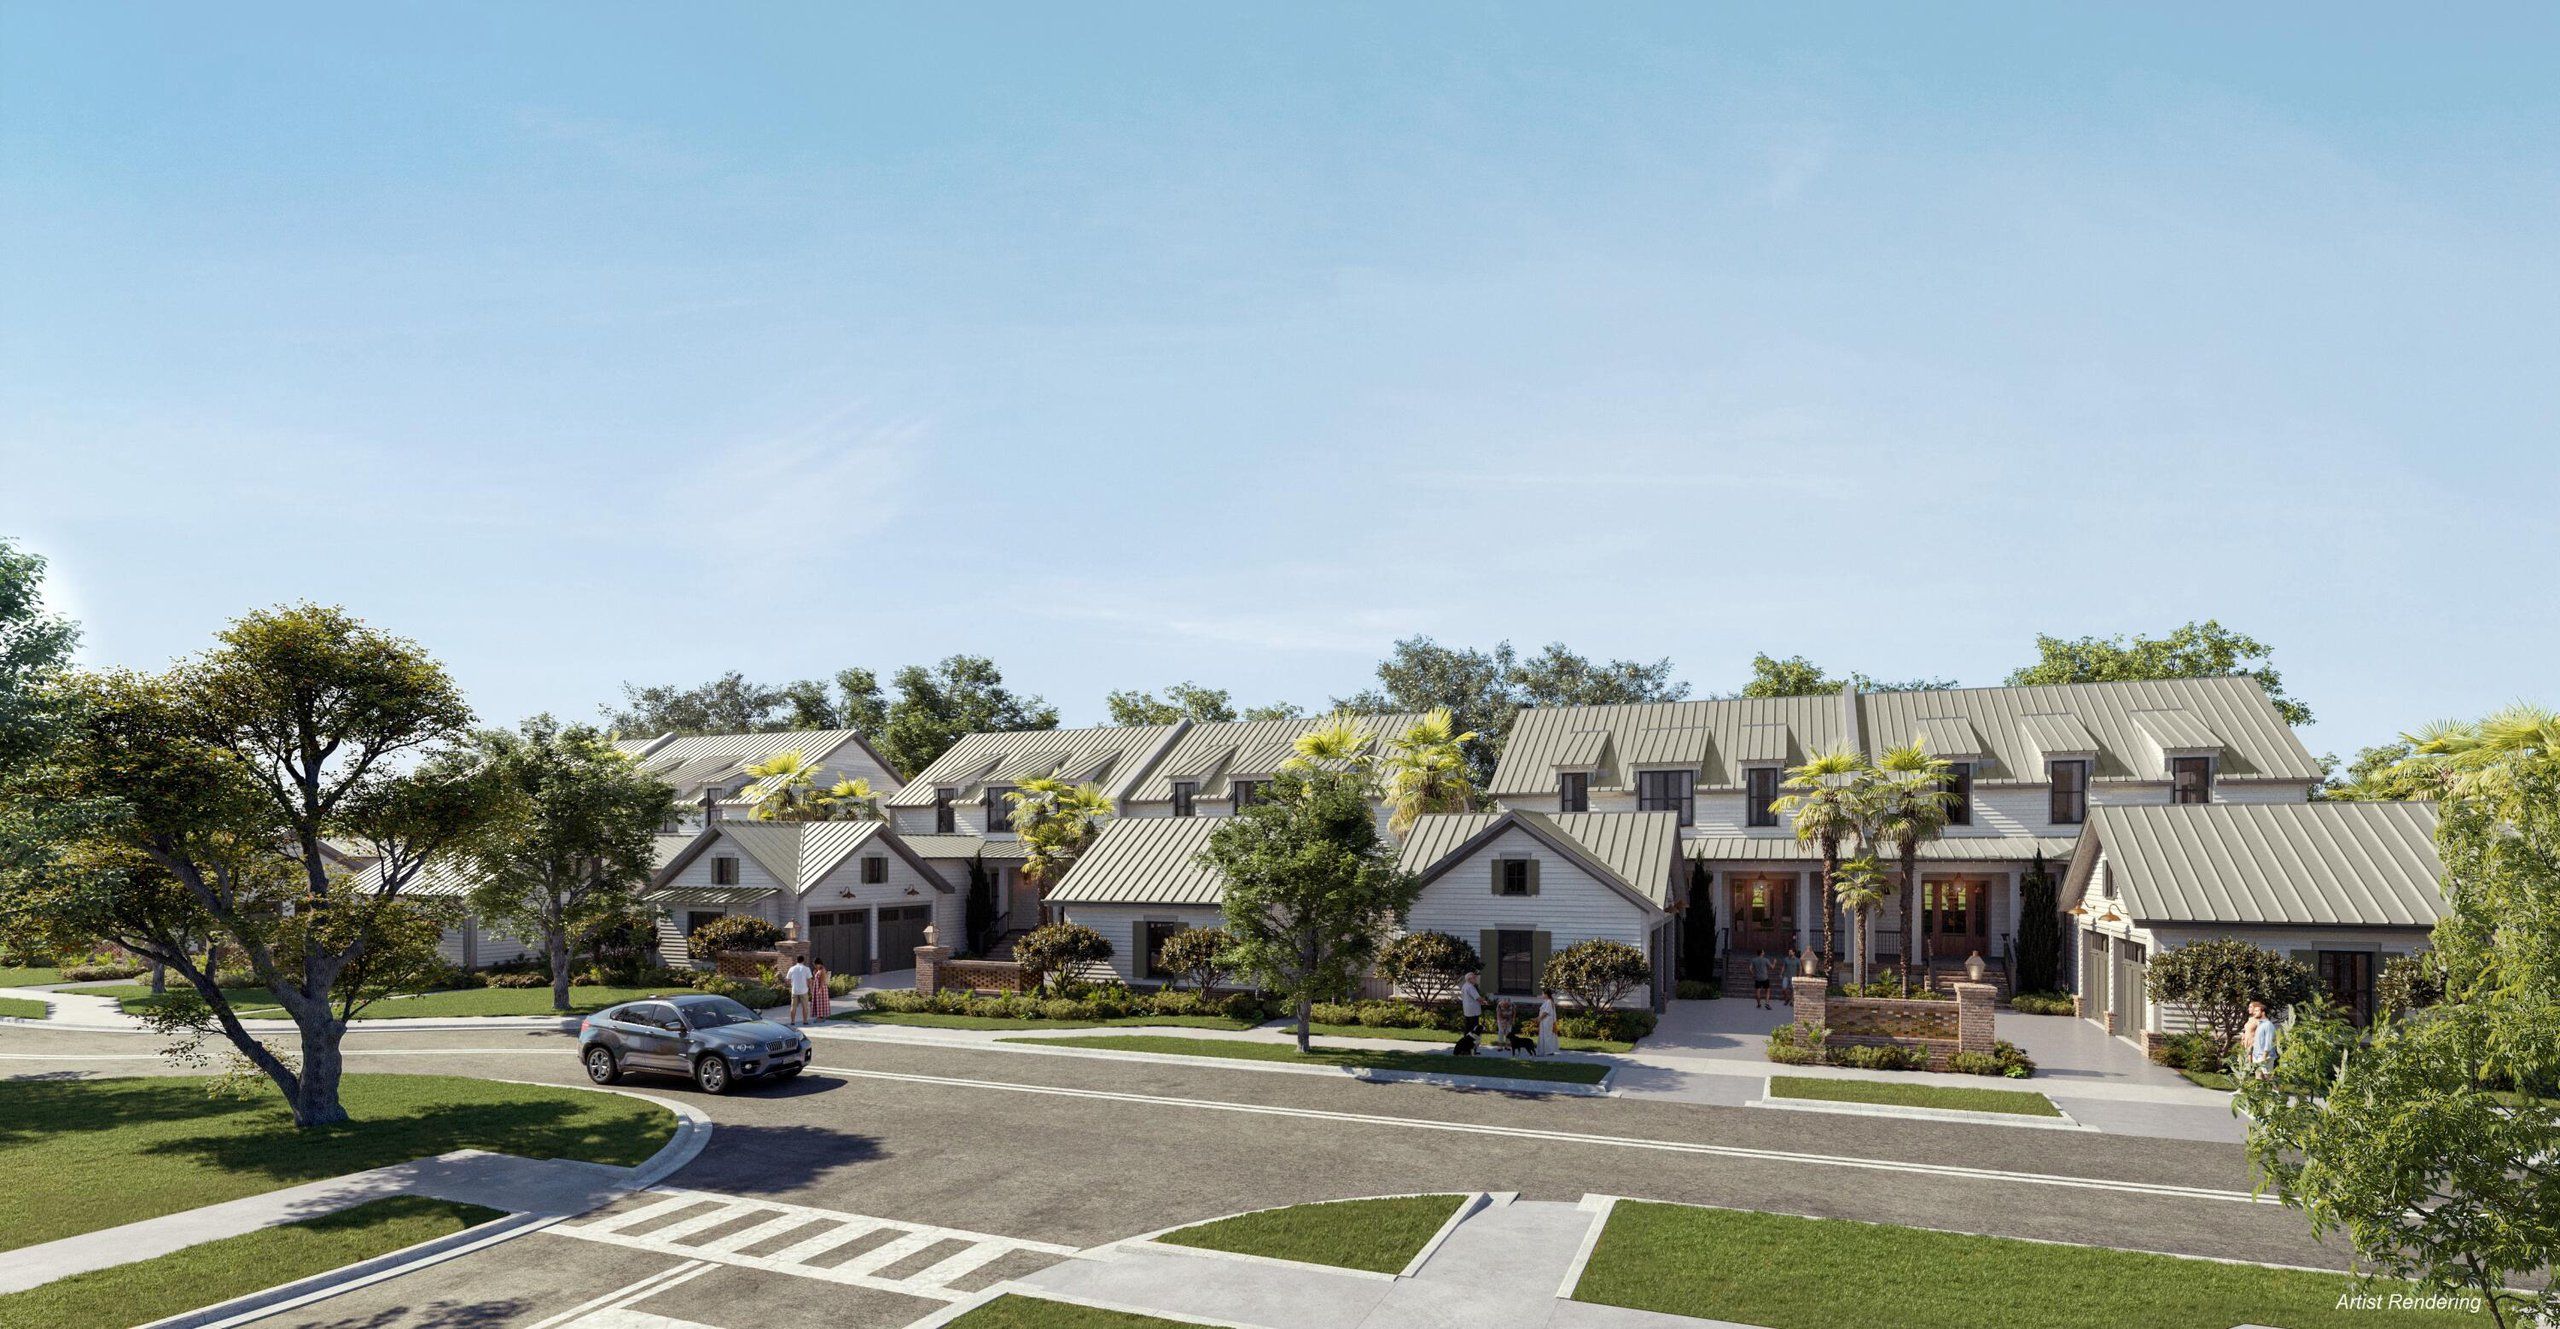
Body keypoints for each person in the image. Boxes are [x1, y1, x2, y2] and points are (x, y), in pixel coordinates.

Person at [2244, 999, 2278, 1077]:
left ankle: (2276, 1089)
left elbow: (2268, 1041)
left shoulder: (2267, 1024)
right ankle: (2258, 1089)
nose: (2254, 1012)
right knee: (2258, 1076)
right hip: (2257, 1054)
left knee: (2268, 1076)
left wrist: (2264, 1055)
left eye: (2257, 1011)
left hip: (2265, 1055)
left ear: (2263, 1012)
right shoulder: (2260, 1024)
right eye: (2254, 1011)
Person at [784, 955, 813, 1026]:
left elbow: (787, 980)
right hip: (804, 990)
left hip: (794, 990)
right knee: (805, 1007)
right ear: (803, 960)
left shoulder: (792, 968)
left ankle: (792, 1021)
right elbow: (809, 980)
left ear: (796, 960)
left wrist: (790, 986)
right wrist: (811, 989)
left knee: (793, 1007)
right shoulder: (807, 969)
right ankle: (805, 1021)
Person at [1535, 988, 1561, 1057]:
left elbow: (1546, 1012)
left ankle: (1549, 1051)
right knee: (1545, 1035)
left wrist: (1539, 1019)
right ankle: (1544, 1050)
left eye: (1543, 993)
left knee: (1547, 1035)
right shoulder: (1547, 1001)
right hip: (1544, 1021)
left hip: (1547, 1022)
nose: (1542, 995)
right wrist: (1538, 1018)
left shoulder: (1549, 1001)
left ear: (1546, 994)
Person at [1459, 970, 1484, 1040]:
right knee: (1474, 1028)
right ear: (1469, 979)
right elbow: (1477, 998)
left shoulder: (1464, 986)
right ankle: (1472, 1045)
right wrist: (1484, 1002)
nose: (1475, 979)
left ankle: (1465, 1042)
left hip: (1467, 1010)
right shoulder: (1470, 987)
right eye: (1474, 978)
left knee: (1468, 1027)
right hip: (1473, 1011)